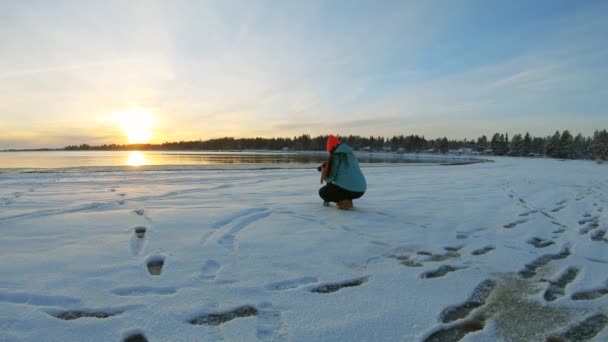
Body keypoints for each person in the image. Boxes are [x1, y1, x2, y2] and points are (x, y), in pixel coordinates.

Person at [318, 135, 367, 209]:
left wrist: (323, 171)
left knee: (323, 192)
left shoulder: (336, 156)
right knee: (339, 186)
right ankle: (347, 199)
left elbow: (330, 178)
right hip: (361, 189)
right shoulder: (350, 154)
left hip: (350, 189)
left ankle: (346, 201)